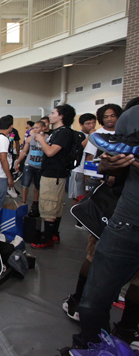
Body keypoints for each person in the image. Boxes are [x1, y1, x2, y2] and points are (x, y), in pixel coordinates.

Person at [61, 103, 139, 354]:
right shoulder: (133, 116)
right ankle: (92, 346)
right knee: (93, 301)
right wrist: (112, 165)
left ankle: (127, 330)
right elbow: (104, 167)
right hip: (126, 221)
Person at [30, 104, 77, 248]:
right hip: (52, 173)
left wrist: (41, 140)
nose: (50, 116)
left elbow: (50, 152)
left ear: (61, 116)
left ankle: (47, 238)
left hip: (53, 174)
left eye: (53, 113)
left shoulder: (64, 132)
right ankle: (54, 233)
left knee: (49, 204)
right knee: (54, 205)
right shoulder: (58, 132)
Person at [69, 113, 96, 228]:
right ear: (81, 124)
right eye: (88, 123)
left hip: (90, 170)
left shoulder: (96, 135)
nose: (91, 125)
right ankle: (78, 220)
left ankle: (85, 218)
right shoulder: (78, 135)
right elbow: (78, 149)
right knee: (77, 195)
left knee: (87, 195)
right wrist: (89, 137)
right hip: (78, 170)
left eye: (93, 123)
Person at [15, 120, 47, 213]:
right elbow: (24, 152)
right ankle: (24, 202)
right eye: (35, 128)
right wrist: (18, 162)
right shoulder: (30, 138)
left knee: (37, 186)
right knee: (25, 184)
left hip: (40, 166)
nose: (35, 130)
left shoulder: (47, 139)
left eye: (38, 128)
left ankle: (35, 203)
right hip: (29, 164)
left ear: (43, 128)